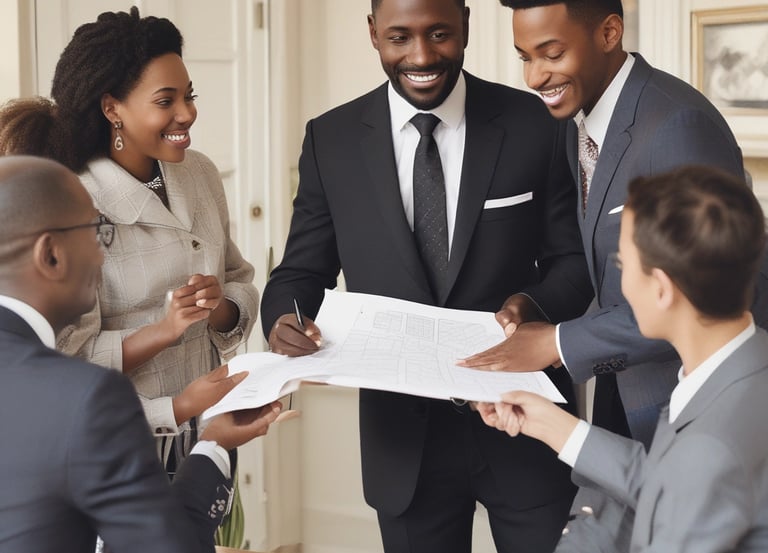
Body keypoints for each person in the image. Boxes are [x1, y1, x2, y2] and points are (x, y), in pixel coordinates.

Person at [260, 0, 594, 551]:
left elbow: (575, 263)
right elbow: (299, 271)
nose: (421, 55)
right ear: (372, 34)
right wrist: (283, 319)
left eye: (439, 33)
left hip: (525, 423)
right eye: (399, 38)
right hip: (403, 444)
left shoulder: (536, 122)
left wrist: (531, 305)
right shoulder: (331, 139)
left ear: (466, 23)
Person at [462, 0, 768, 449]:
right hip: (621, 391)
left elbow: (706, 294)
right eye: (525, 57)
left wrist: (557, 343)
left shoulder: (678, 125)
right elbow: (601, 264)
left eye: (552, 54)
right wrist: (535, 306)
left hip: (690, 413)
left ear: (609, 34)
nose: (534, 78)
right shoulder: (579, 122)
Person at [0, 7, 260, 469]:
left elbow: (239, 275)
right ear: (111, 108)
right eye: (166, 101)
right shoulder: (73, 201)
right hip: (122, 443)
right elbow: (66, 357)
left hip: (210, 429)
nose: (188, 113)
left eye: (189, 95)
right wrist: (164, 332)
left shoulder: (199, 173)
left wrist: (217, 305)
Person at [477, 165, 768, 552]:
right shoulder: (747, 359)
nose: (620, 283)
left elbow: (692, 479)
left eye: (622, 266)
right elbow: (672, 484)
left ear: (662, 289)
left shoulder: (710, 451)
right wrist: (551, 425)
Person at [0, 154, 282, 553]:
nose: (102, 254)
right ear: (51, 255)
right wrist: (213, 444)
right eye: (98, 232)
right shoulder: (86, 397)